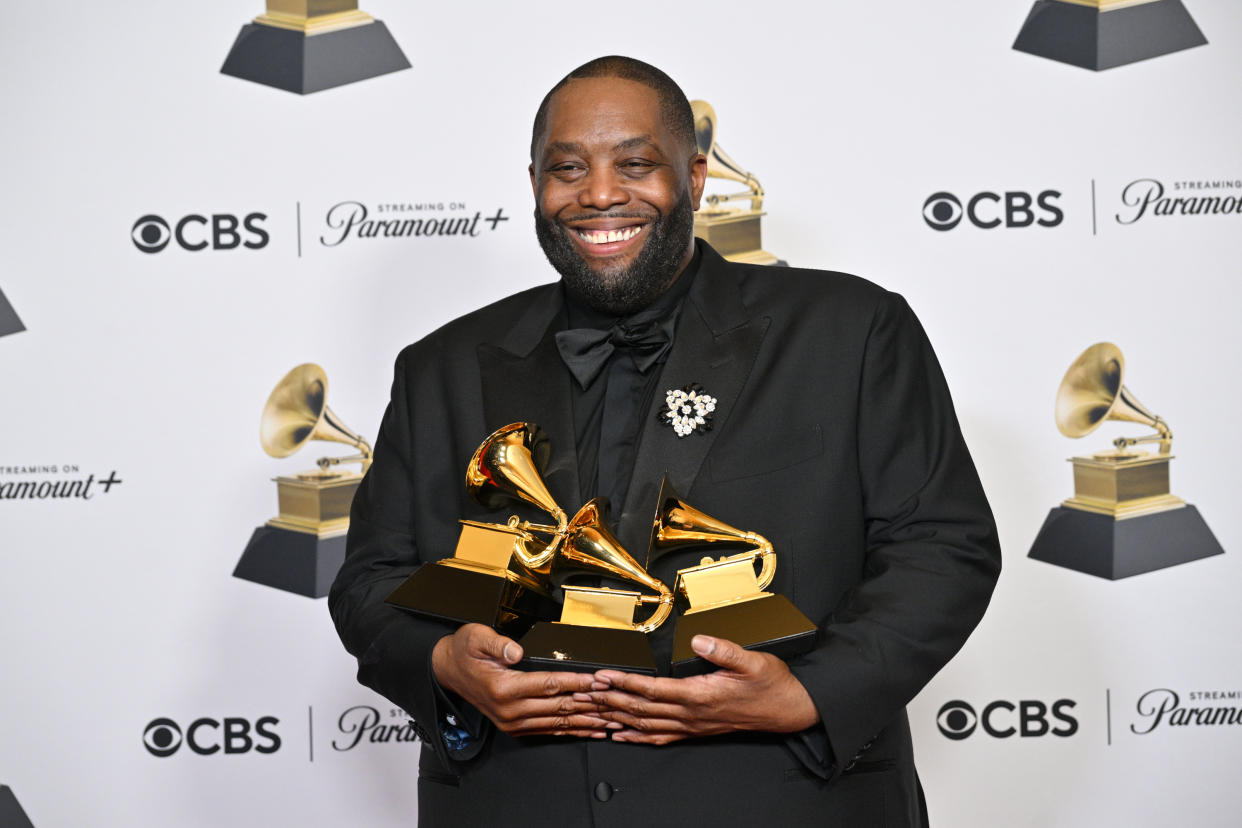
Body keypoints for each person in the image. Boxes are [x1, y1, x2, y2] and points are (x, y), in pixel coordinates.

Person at [330, 55, 1001, 827]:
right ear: (534, 186)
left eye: (637, 164)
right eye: (568, 168)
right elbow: (369, 580)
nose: (601, 193)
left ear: (696, 177)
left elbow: (944, 546)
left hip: (789, 799)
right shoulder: (439, 367)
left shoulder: (851, 330)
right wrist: (443, 664)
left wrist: (810, 693)